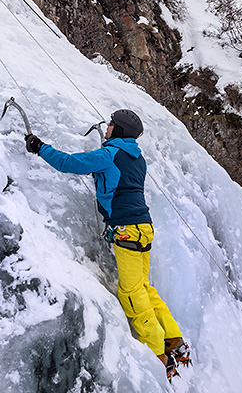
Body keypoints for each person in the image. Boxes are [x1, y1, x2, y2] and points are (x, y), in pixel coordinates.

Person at [25, 108, 190, 381]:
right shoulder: (137, 159)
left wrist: (39, 147)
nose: (108, 127)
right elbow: (118, 181)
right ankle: (173, 338)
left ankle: (157, 349)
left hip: (126, 229)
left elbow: (68, 163)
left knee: (130, 293)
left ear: (119, 130)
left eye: (111, 124)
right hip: (143, 228)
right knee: (144, 287)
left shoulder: (109, 155)